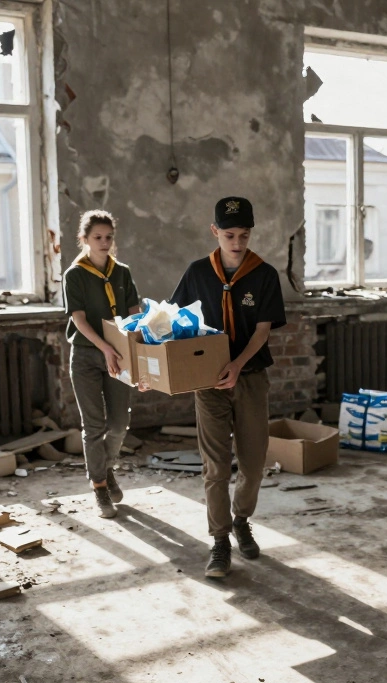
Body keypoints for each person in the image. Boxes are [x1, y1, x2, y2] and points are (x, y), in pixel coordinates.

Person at [169, 197, 286, 578]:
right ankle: (219, 540)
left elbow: (263, 330)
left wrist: (237, 364)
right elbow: (172, 323)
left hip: (250, 378)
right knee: (216, 465)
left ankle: (241, 519)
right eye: (230, 235)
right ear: (215, 232)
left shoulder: (263, 275)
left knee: (252, 464)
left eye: (245, 235)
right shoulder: (197, 273)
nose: (237, 243)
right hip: (208, 383)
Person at [63, 210, 141, 519]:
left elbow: (133, 311)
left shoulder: (122, 272)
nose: (104, 242)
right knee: (93, 425)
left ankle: (107, 468)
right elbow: (79, 319)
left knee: (119, 422)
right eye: (97, 237)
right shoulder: (75, 274)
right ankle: (99, 487)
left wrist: (135, 348)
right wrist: (105, 348)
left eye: (109, 237)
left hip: (119, 354)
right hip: (86, 354)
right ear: (84, 239)